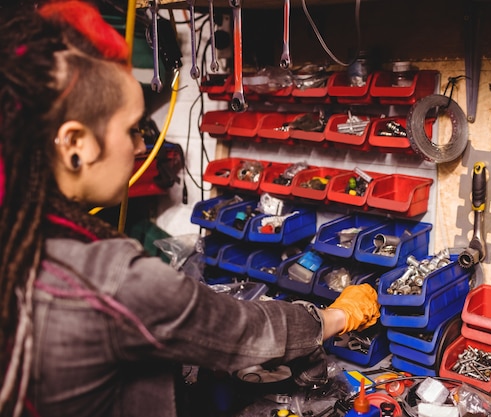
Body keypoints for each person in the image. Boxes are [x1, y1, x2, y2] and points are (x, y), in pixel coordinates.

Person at [0, 2, 381, 417]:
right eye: (132, 130)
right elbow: (242, 331)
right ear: (75, 144)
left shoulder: (21, 236)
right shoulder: (112, 278)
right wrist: (338, 315)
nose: (142, 146)